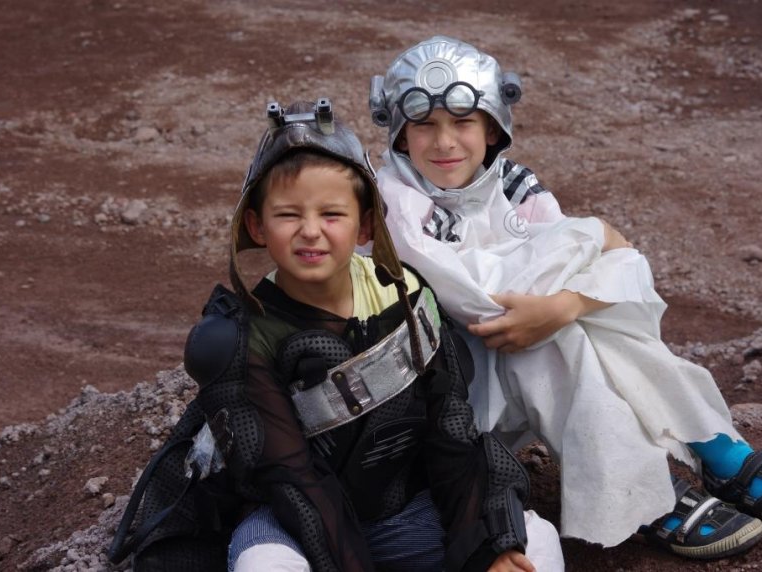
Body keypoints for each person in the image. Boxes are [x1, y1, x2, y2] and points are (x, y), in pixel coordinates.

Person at [368, 36, 762, 560]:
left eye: (462, 122)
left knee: (577, 323)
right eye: (424, 125)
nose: (444, 141)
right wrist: (594, 236)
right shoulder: (394, 201)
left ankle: (715, 454)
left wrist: (566, 304)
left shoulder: (510, 185)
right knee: (551, 337)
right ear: (400, 135)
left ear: (493, 127)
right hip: (446, 406)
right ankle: (658, 486)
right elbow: (485, 300)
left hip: (508, 376)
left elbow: (625, 267)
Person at [220, 98, 565, 572]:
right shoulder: (239, 335)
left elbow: (452, 436)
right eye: (288, 215)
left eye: (332, 214)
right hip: (292, 526)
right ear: (256, 225)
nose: (311, 231)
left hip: (407, 516)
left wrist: (491, 546)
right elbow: (291, 477)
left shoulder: (407, 295)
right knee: (263, 564)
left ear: (365, 223)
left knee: (532, 540)